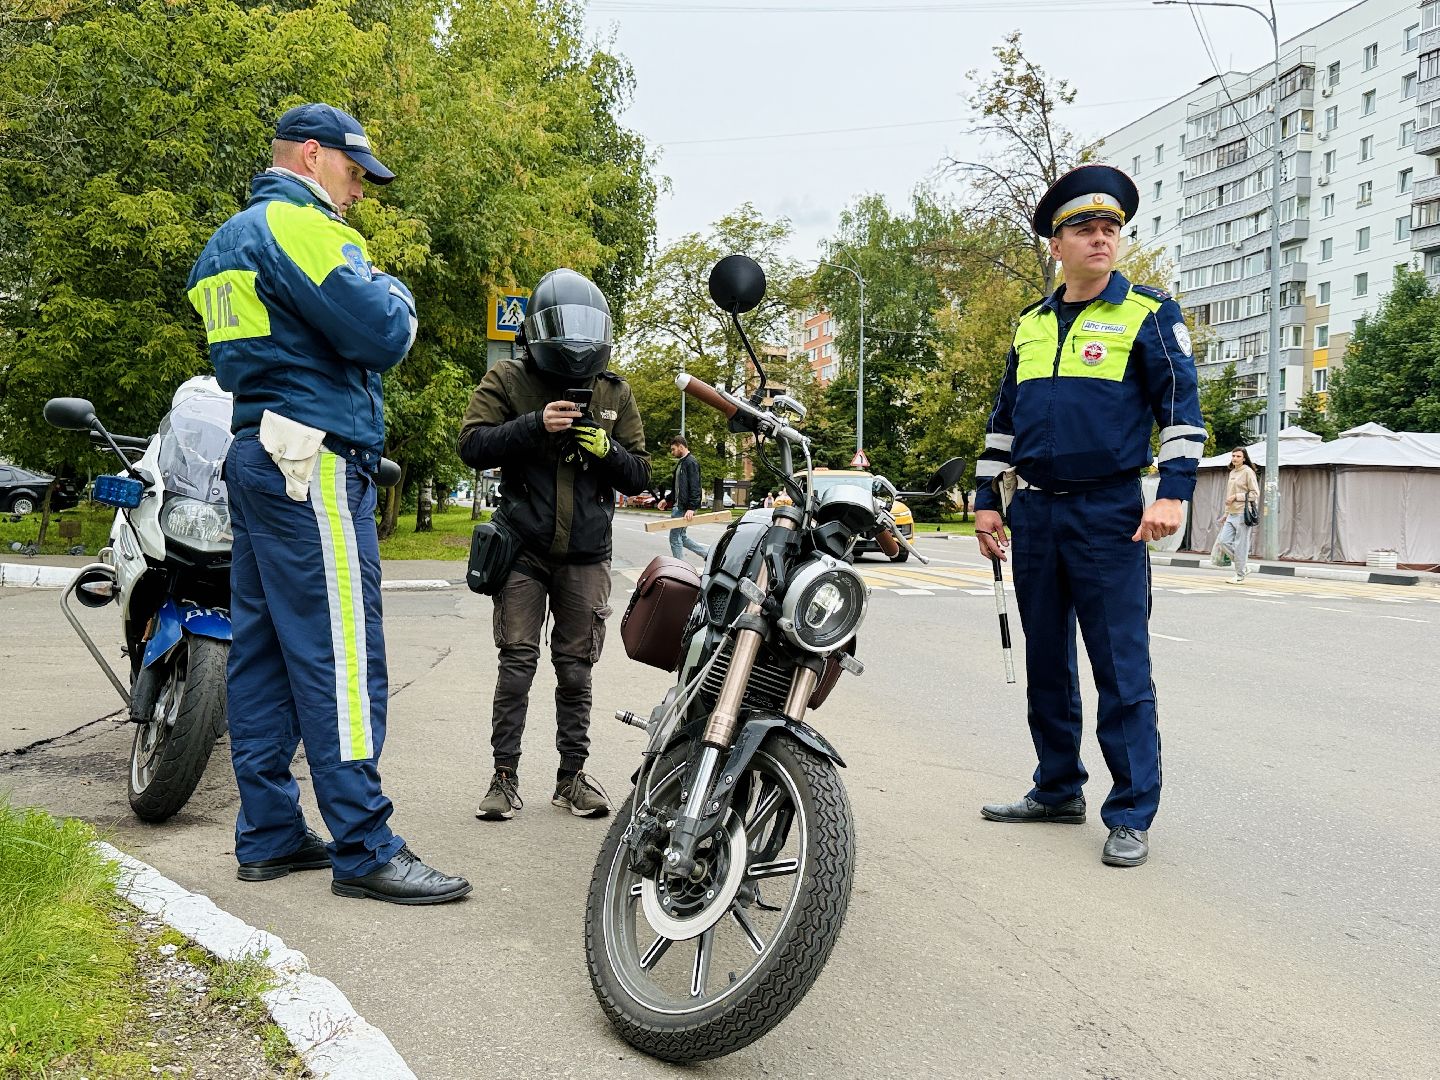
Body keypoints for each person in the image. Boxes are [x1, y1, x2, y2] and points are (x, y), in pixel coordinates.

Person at [186, 103, 470, 905]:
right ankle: (365, 844)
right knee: (342, 654)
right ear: (312, 156)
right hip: (312, 459)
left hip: (257, 450)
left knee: (267, 652)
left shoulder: (223, 245)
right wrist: (395, 290)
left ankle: (271, 834)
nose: (358, 192)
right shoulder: (298, 224)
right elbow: (381, 332)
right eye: (353, 171)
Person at [972, 164, 1206, 869]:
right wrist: (986, 502)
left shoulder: (1148, 314)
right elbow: (1003, 424)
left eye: (1110, 228)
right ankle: (1057, 788)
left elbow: (1182, 414)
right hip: (1036, 514)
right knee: (1047, 663)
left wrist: (1173, 492)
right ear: (1057, 244)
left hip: (1110, 514)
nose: (1101, 238)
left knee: (1120, 669)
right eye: (1085, 228)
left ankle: (1131, 811)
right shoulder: (1032, 325)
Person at [457, 268, 650, 822]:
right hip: (522, 548)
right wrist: (534, 426)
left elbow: (640, 475)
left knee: (575, 670)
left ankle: (571, 778)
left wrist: (605, 449)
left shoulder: (613, 390)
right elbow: (472, 445)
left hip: (586, 555)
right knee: (516, 663)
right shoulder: (509, 379)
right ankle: (503, 778)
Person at [1215, 447, 1260, 583]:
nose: (1235, 458)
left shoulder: (1248, 472)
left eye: (1238, 456)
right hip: (1231, 514)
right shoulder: (1233, 472)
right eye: (1233, 456)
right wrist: (1226, 513)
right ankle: (1243, 566)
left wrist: (1236, 496)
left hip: (1243, 513)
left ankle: (1240, 575)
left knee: (1241, 545)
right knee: (1223, 542)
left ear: (1244, 458)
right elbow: (1229, 495)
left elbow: (1254, 494)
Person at [666, 434, 709, 562]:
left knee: (674, 538)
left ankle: (680, 568)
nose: (672, 452)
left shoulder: (691, 462)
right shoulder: (682, 463)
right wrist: (667, 500)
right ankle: (707, 554)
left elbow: (696, 487)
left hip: (684, 508)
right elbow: (678, 488)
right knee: (681, 537)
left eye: (673, 449)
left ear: (681, 446)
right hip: (680, 506)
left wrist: (691, 508)